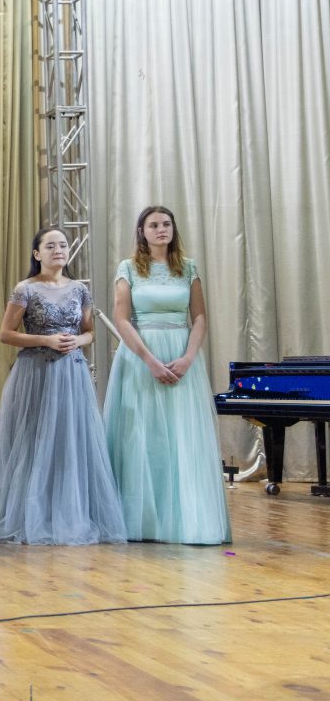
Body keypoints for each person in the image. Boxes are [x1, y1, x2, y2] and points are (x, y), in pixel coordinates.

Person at [104, 206, 230, 544]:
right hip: (140, 357)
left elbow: (199, 317)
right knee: (143, 437)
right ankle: (142, 521)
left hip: (181, 356)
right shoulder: (128, 268)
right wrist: (149, 360)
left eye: (166, 224)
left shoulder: (188, 268)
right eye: (153, 225)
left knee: (181, 437)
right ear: (142, 231)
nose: (161, 230)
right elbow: (121, 319)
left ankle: (185, 521)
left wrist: (188, 358)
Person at [0, 227, 126, 545]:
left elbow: (89, 332)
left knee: (70, 441)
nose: (58, 250)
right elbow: (6, 334)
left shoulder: (79, 289)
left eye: (63, 245)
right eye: (50, 246)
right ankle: (30, 514)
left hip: (71, 373)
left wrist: (78, 341)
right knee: (34, 441)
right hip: (35, 373)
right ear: (37, 253)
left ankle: (69, 513)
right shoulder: (25, 288)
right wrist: (46, 340)